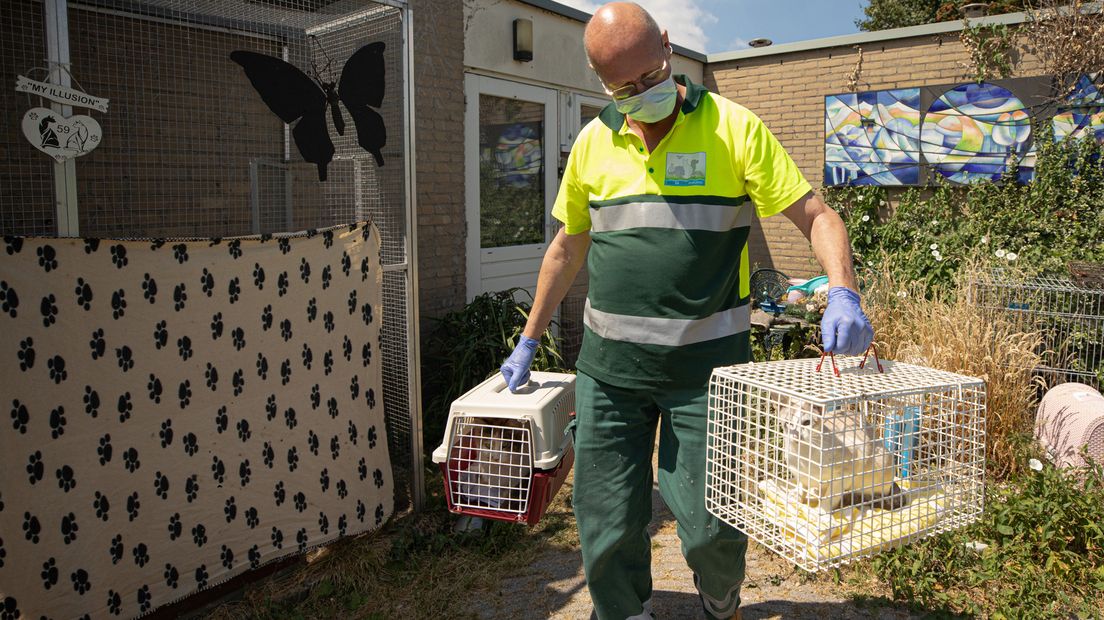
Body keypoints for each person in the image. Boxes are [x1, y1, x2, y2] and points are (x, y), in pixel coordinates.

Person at [499, 3, 874, 619]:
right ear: (601, 82)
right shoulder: (594, 143)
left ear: (668, 48)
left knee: (711, 527)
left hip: (707, 375)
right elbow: (566, 248)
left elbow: (817, 216)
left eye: (648, 78)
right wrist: (529, 339)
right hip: (610, 373)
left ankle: (719, 593)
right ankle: (622, 610)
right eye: (622, 88)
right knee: (606, 519)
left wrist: (842, 289)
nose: (640, 94)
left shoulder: (733, 128)